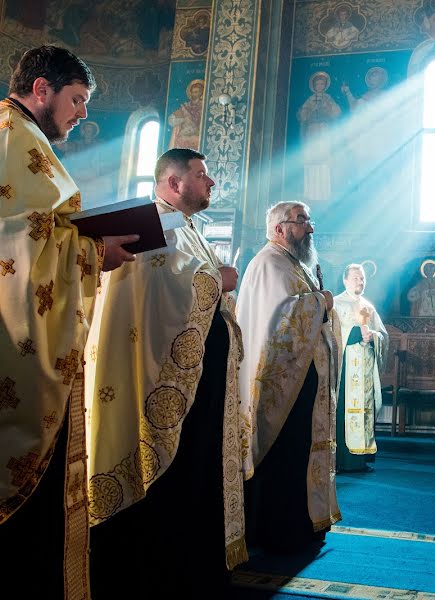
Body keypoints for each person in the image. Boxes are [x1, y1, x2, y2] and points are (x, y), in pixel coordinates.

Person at [0, 45, 136, 600]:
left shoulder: (21, 135)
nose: (81, 114)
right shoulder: (13, 135)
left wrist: (82, 240)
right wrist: (90, 251)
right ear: (41, 89)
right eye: (76, 100)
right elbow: (15, 240)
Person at [85, 148, 246, 598]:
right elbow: (160, 288)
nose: (211, 183)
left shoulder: (189, 228)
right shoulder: (152, 224)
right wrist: (217, 279)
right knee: (167, 482)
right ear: (174, 184)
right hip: (156, 381)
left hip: (196, 384)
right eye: (202, 175)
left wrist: (214, 276)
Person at [237, 201, 341, 554]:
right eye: (301, 221)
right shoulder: (268, 264)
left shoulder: (293, 264)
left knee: (300, 451)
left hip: (301, 378)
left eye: (309, 220)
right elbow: (280, 319)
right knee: (285, 453)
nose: (309, 228)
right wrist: (321, 302)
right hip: (282, 382)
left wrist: (318, 301)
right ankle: (279, 530)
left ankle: (303, 522)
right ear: (280, 228)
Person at [333, 263, 387, 473]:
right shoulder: (336, 304)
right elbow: (329, 335)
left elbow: (383, 335)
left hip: (364, 371)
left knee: (365, 410)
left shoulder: (367, 306)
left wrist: (373, 336)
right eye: (355, 278)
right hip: (344, 370)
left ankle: (360, 459)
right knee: (342, 409)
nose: (359, 282)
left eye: (362, 278)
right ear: (345, 280)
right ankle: (341, 460)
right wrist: (354, 335)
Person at [298, 72, 342, 202]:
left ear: (325, 86)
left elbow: (336, 113)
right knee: (312, 161)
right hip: (312, 131)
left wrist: (326, 106)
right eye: (317, 84)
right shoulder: (310, 100)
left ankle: (324, 194)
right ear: (314, 85)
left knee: (324, 161)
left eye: (322, 83)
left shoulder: (328, 98)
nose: (319, 86)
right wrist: (309, 111)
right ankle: (310, 193)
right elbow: (302, 116)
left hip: (324, 130)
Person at [168, 79, 204, 150]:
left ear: (201, 93)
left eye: (196, 92)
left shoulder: (204, 106)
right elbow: (172, 120)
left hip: (197, 135)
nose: (194, 94)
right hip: (184, 135)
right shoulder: (185, 106)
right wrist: (177, 117)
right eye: (193, 92)